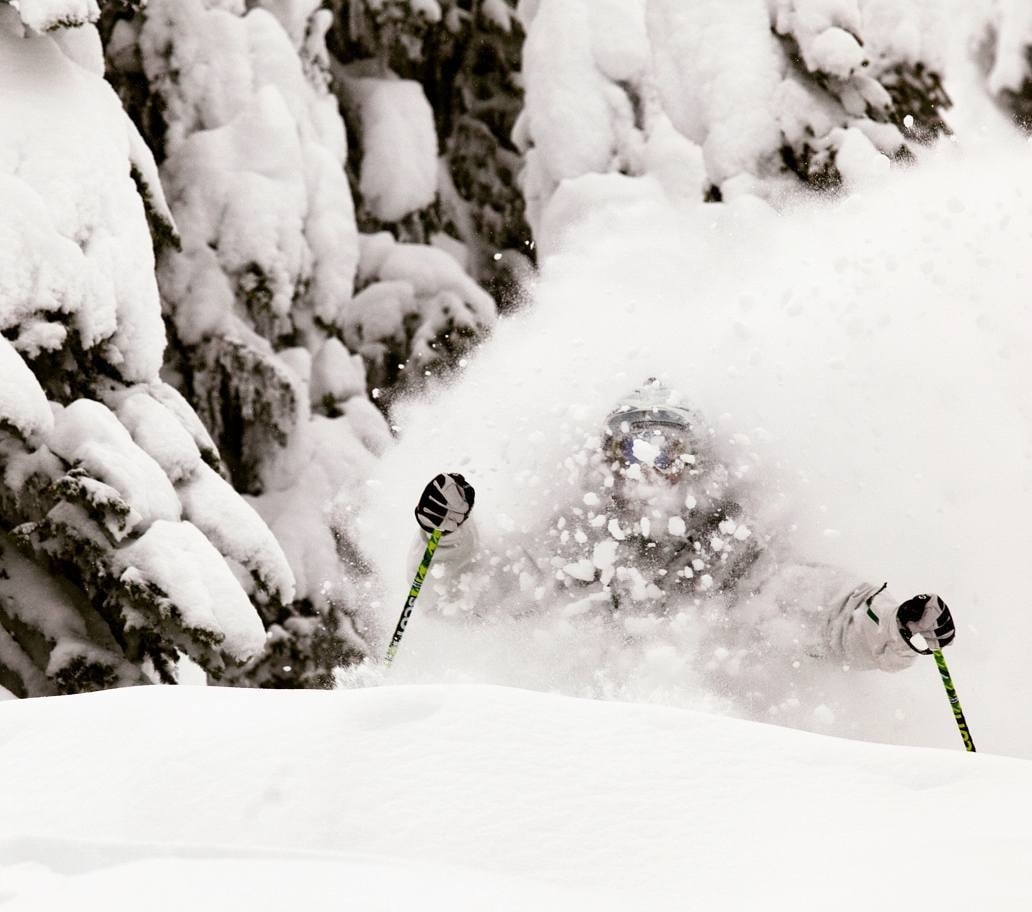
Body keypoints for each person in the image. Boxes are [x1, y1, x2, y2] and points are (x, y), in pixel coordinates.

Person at [411, 379, 955, 673]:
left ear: (695, 461)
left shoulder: (733, 551)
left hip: (707, 769)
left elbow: (828, 612)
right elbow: (461, 596)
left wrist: (895, 628)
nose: (647, 467)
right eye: (631, 448)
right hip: (578, 759)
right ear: (609, 461)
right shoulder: (577, 541)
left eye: (667, 449)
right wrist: (447, 537)